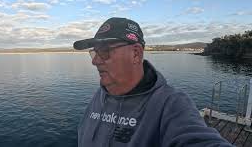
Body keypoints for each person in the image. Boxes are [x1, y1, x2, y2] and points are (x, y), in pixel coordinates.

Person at [73, 17, 233, 147]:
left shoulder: (170, 104)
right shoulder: (100, 95)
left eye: (104, 52)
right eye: (94, 52)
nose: (95, 62)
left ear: (136, 53)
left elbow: (198, 140)